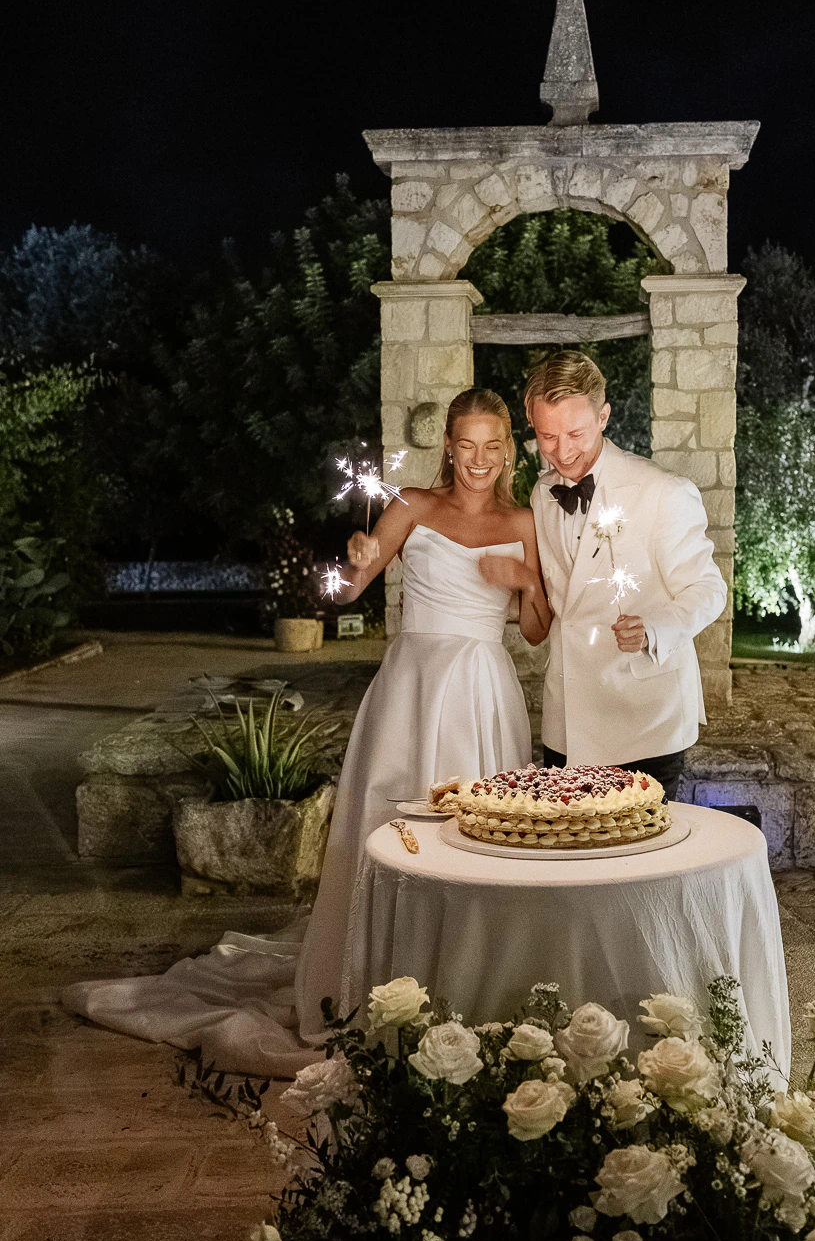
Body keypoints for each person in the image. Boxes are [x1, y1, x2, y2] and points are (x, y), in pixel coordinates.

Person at [63, 388, 550, 1075]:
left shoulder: (523, 520)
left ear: (509, 449)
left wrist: (527, 580)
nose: (479, 458)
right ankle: (376, 977)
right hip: (411, 685)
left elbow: (537, 628)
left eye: (493, 445)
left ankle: (468, 980)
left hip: (483, 691)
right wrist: (353, 562)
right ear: (449, 445)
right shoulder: (410, 505)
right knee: (389, 827)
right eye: (466, 444)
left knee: (477, 835)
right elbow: (348, 592)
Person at [527, 351, 727, 802]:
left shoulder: (663, 491)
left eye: (576, 433)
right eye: (547, 436)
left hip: (645, 721)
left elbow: (709, 589)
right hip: (569, 720)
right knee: (570, 857)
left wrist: (654, 629)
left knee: (643, 863)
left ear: (603, 417)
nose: (563, 451)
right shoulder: (542, 495)